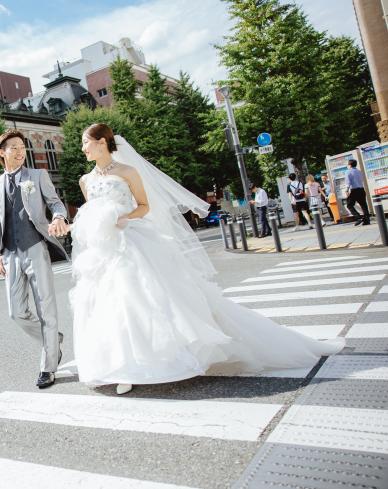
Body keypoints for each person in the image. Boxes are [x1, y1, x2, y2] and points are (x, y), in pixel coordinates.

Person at [62, 124, 342, 395]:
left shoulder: (127, 171)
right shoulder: (85, 180)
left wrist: (123, 218)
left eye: (85, 142)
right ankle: (120, 364)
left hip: (132, 241)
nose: (82, 148)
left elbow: (144, 206)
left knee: (145, 298)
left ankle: (153, 361)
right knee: (108, 303)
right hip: (103, 250)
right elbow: (91, 213)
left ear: (101, 142)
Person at [0, 130, 69, 389]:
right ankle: (53, 340)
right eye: (13, 147)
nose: (20, 151)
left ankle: (48, 367)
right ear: (2, 153)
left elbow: (56, 203)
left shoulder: (37, 175)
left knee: (46, 308)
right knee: (16, 312)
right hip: (10, 253)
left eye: (22, 147)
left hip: (35, 248)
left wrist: (59, 217)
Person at [345, 159, 370, 226]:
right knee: (363, 205)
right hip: (361, 189)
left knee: (349, 205)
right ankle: (367, 220)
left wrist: (346, 190)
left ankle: (358, 217)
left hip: (354, 190)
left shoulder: (348, 172)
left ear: (350, 165)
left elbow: (348, 182)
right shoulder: (360, 172)